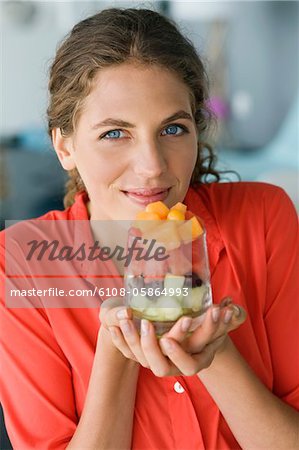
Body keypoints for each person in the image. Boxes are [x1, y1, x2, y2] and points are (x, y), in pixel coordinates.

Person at [0, 7, 298, 450]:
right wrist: (116, 347)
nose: (153, 167)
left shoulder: (263, 216)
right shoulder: (20, 260)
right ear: (65, 147)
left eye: (173, 128)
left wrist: (212, 350)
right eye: (115, 134)